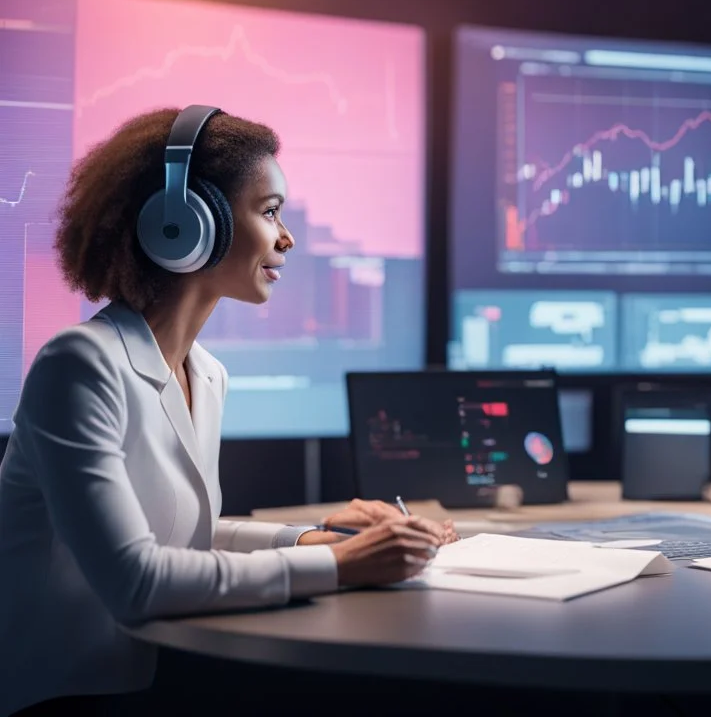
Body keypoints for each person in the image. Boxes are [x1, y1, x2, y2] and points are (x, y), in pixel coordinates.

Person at [0, 107, 457, 716]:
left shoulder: (205, 373)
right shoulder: (79, 364)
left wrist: (313, 538)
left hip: (148, 677)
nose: (286, 237)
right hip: (62, 694)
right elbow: (136, 582)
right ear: (184, 223)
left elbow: (181, 538)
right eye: (269, 212)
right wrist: (339, 565)